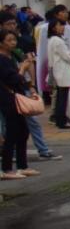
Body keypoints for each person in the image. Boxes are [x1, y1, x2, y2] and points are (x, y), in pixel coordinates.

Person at [0, 29, 38, 180]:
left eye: (14, 40)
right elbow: (13, 79)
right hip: (7, 98)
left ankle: (23, 166)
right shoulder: (2, 59)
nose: (13, 43)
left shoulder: (11, 56)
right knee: (12, 132)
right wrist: (22, 69)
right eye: (9, 40)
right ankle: (7, 168)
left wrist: (30, 87)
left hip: (16, 96)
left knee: (23, 131)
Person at [46, 18, 70, 128]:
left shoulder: (52, 39)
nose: (62, 27)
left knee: (60, 96)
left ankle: (61, 119)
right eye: (60, 25)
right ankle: (62, 121)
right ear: (54, 27)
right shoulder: (58, 41)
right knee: (62, 98)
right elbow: (66, 55)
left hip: (58, 70)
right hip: (62, 71)